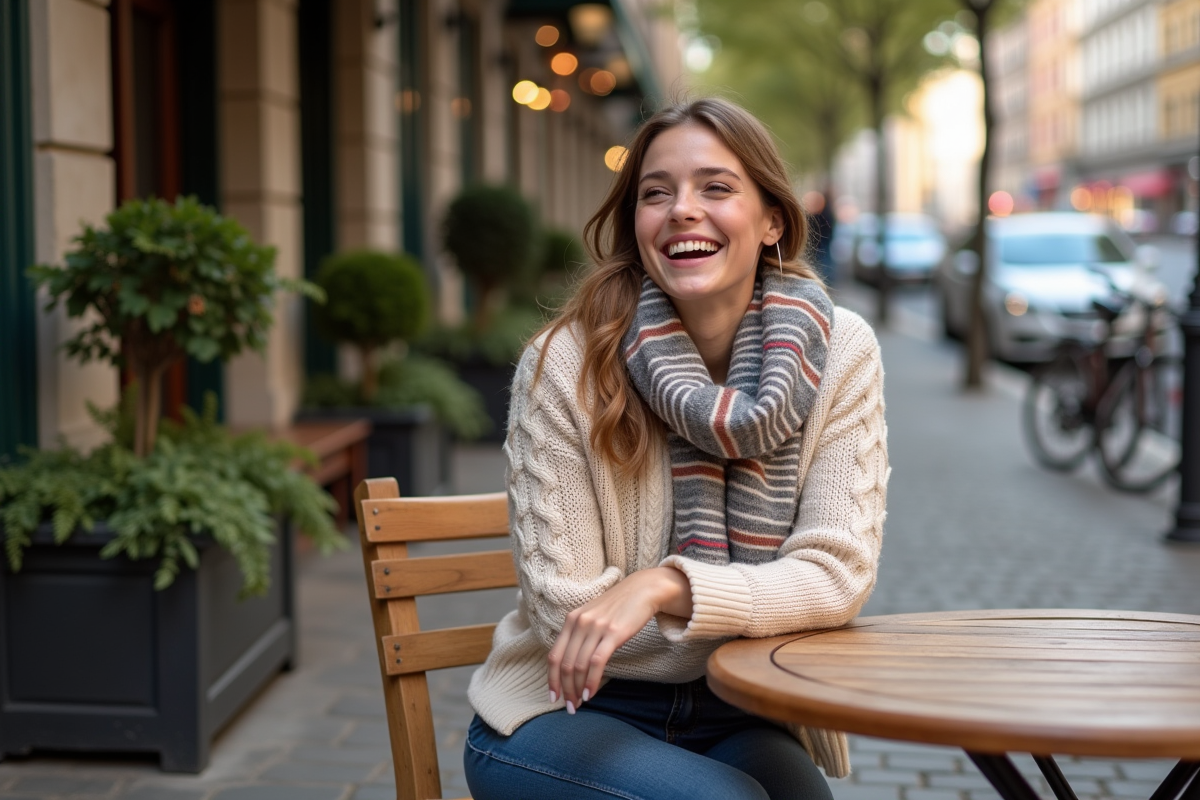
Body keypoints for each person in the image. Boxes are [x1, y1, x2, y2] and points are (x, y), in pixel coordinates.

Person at [463, 97, 888, 800]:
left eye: (716, 188)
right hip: (565, 708)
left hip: (741, 709)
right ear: (637, 224)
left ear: (771, 220)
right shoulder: (565, 364)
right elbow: (569, 614)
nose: (682, 209)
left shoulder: (843, 352)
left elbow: (838, 575)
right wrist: (762, 605)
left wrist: (667, 585)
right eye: (655, 193)